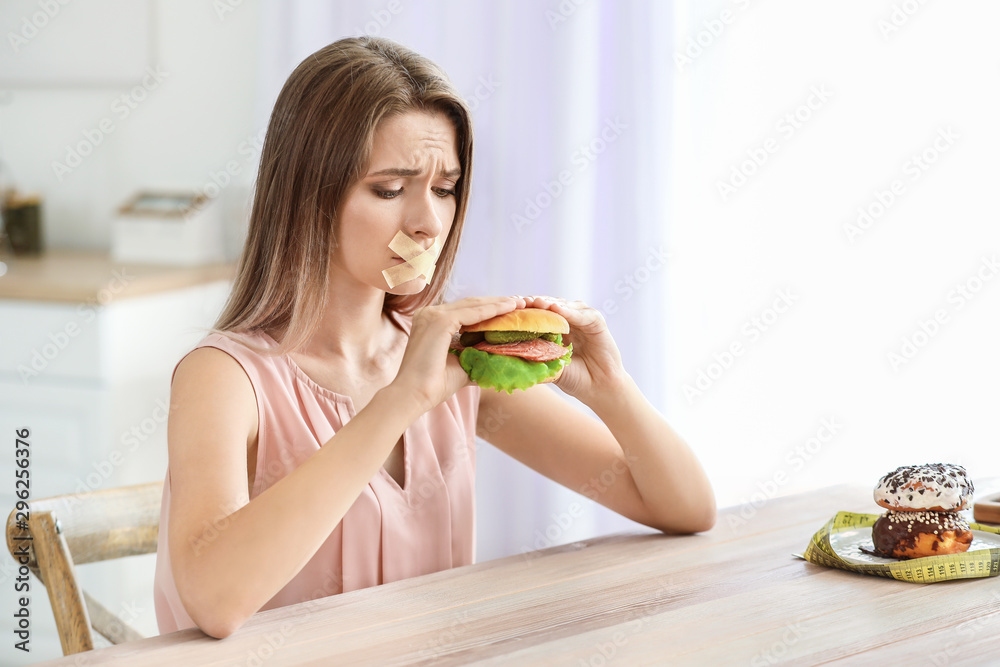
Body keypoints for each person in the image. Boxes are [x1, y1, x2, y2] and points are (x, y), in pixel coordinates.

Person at [153, 36, 715, 639]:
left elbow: (685, 509)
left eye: (444, 189)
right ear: (307, 195)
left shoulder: (459, 364)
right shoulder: (223, 376)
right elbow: (214, 601)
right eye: (390, 190)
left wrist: (611, 390)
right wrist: (401, 400)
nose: (428, 222)